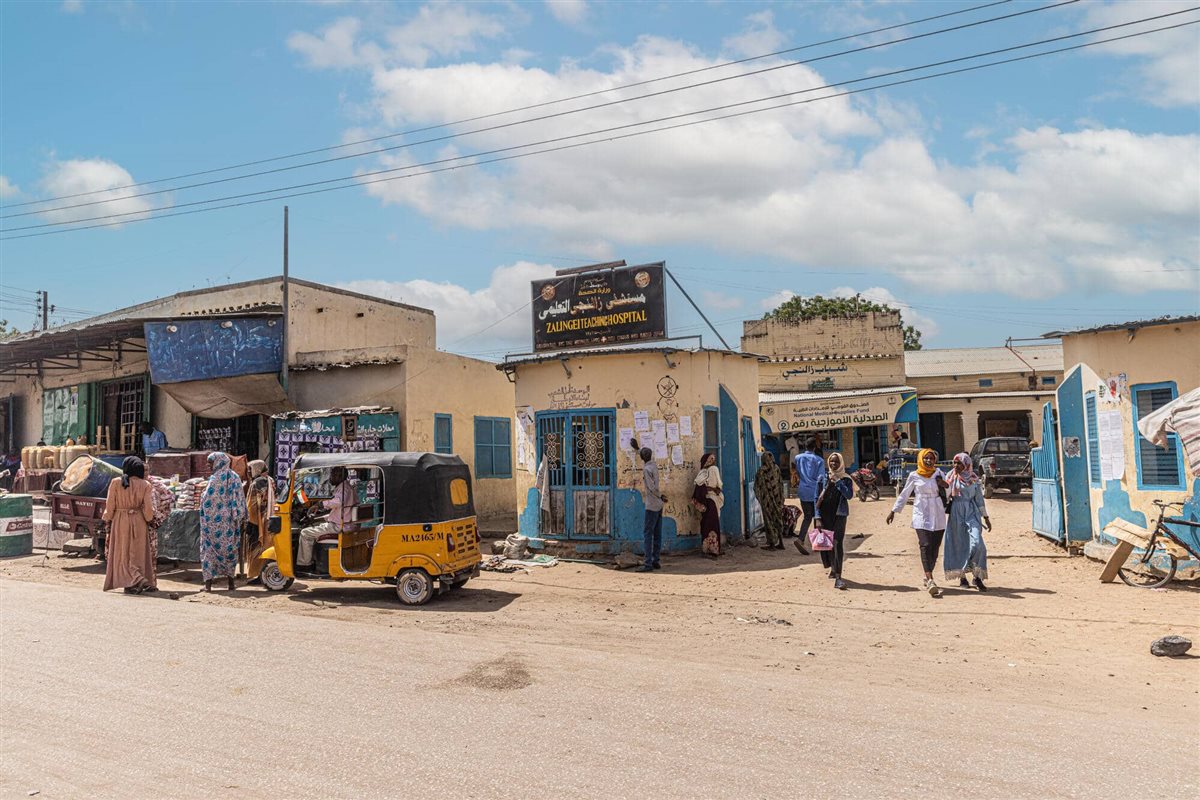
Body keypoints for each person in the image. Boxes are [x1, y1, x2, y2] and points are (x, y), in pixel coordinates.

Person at [886, 448, 948, 597]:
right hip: (921, 512)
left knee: (934, 548)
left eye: (931, 458)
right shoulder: (914, 476)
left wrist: (944, 484)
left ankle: (927, 575)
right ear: (920, 459)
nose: (928, 461)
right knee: (925, 544)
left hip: (938, 512)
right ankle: (931, 579)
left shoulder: (939, 473)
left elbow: (949, 491)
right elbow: (905, 494)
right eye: (926, 458)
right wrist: (894, 511)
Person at [101, 457, 157, 594]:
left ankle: (134, 580)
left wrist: (106, 519)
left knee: (122, 552)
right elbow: (149, 509)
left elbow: (110, 506)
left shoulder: (115, 482)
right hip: (139, 521)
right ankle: (137, 578)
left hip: (120, 521)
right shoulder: (146, 485)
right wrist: (149, 519)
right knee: (137, 553)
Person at [943, 452, 991, 591]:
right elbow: (944, 497)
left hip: (971, 512)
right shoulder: (950, 477)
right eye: (955, 463)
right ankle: (962, 577)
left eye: (959, 463)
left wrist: (986, 517)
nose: (956, 466)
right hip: (956, 514)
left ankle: (977, 576)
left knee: (978, 543)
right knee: (959, 545)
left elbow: (979, 500)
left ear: (967, 464)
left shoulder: (974, 479)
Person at [199, 451, 246, 592]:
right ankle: (231, 583)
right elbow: (241, 500)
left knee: (209, 552)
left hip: (212, 525)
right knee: (230, 551)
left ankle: (208, 586)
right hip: (230, 524)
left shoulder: (215, 479)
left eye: (210, 463)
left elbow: (206, 500)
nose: (208, 466)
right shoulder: (235, 477)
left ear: (218, 462)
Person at [296, 466, 355, 570]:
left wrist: (320, 505)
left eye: (332, 475)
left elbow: (338, 502)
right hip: (343, 524)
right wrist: (320, 517)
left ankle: (305, 565)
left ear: (339, 476)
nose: (330, 478)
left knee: (305, 533)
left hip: (339, 527)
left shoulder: (343, 489)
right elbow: (341, 512)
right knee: (313, 526)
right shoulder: (346, 487)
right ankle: (312, 558)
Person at [813, 452, 855, 590]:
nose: (833, 464)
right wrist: (817, 517)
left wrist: (838, 481)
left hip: (839, 515)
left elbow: (848, 495)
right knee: (826, 545)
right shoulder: (822, 477)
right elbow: (816, 499)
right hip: (825, 516)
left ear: (841, 463)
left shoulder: (846, 479)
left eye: (836, 462)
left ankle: (838, 577)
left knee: (837, 544)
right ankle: (832, 567)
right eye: (831, 462)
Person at [634, 446, 666, 572]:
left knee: (648, 534)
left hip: (652, 504)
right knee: (657, 534)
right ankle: (656, 560)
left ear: (642, 458)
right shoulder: (654, 466)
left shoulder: (646, 469)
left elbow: (652, 488)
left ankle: (648, 564)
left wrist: (660, 496)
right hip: (658, 505)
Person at [791, 438, 824, 555]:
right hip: (815, 491)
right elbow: (821, 478)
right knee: (817, 517)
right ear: (815, 447)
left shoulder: (798, 458)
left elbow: (796, 472)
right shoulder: (819, 460)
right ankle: (817, 543)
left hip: (803, 490)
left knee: (807, 517)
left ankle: (801, 539)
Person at [244, 460, 276, 582]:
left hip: (257, 521)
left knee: (257, 546)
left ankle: (258, 574)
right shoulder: (270, 480)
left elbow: (251, 505)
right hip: (268, 519)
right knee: (267, 545)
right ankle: (264, 573)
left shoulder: (257, 483)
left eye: (250, 470)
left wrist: (248, 519)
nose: (248, 472)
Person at [692, 453, 723, 558]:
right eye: (711, 459)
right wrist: (713, 489)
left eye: (714, 459)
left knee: (709, 525)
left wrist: (714, 489)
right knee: (711, 525)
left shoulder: (703, 473)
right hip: (710, 501)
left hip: (709, 501)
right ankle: (711, 550)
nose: (712, 461)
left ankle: (712, 549)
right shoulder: (712, 470)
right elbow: (716, 486)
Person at [753, 452, 786, 550]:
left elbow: (757, 486)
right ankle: (781, 542)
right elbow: (780, 483)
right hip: (778, 499)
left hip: (767, 501)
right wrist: (781, 497)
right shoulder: (776, 469)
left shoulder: (761, 471)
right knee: (778, 519)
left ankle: (772, 544)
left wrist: (760, 498)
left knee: (769, 521)